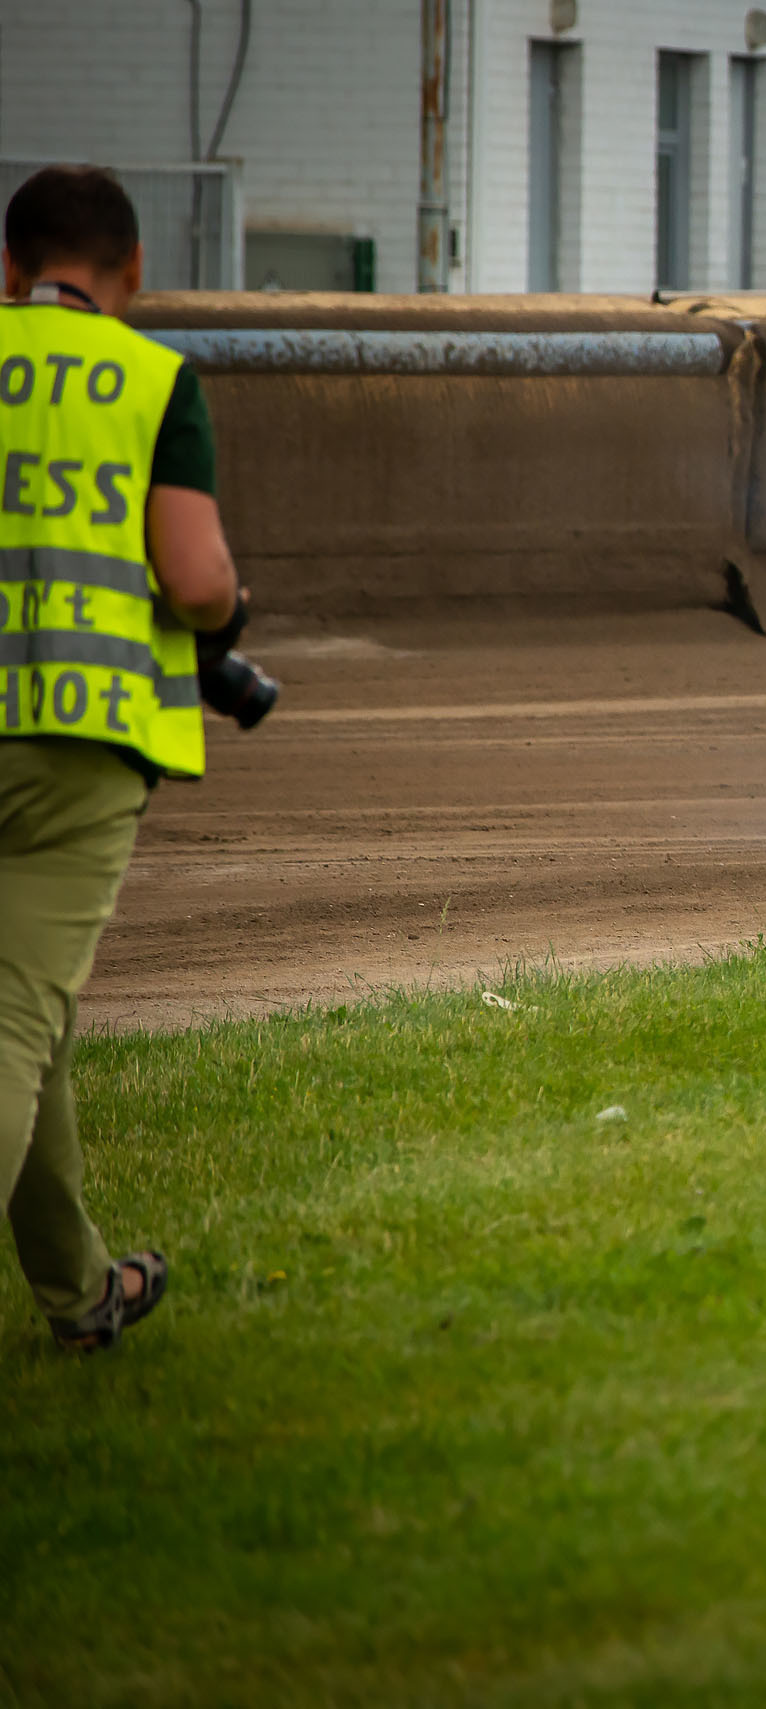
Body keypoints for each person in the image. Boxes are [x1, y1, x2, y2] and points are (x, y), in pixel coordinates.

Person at [2, 165, 244, 1351]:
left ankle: (82, 1290)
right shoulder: (151, 380)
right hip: (76, 740)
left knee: (29, 1022)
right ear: (134, 269)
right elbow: (195, 581)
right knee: (15, 1019)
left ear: (10, 268)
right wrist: (224, 614)